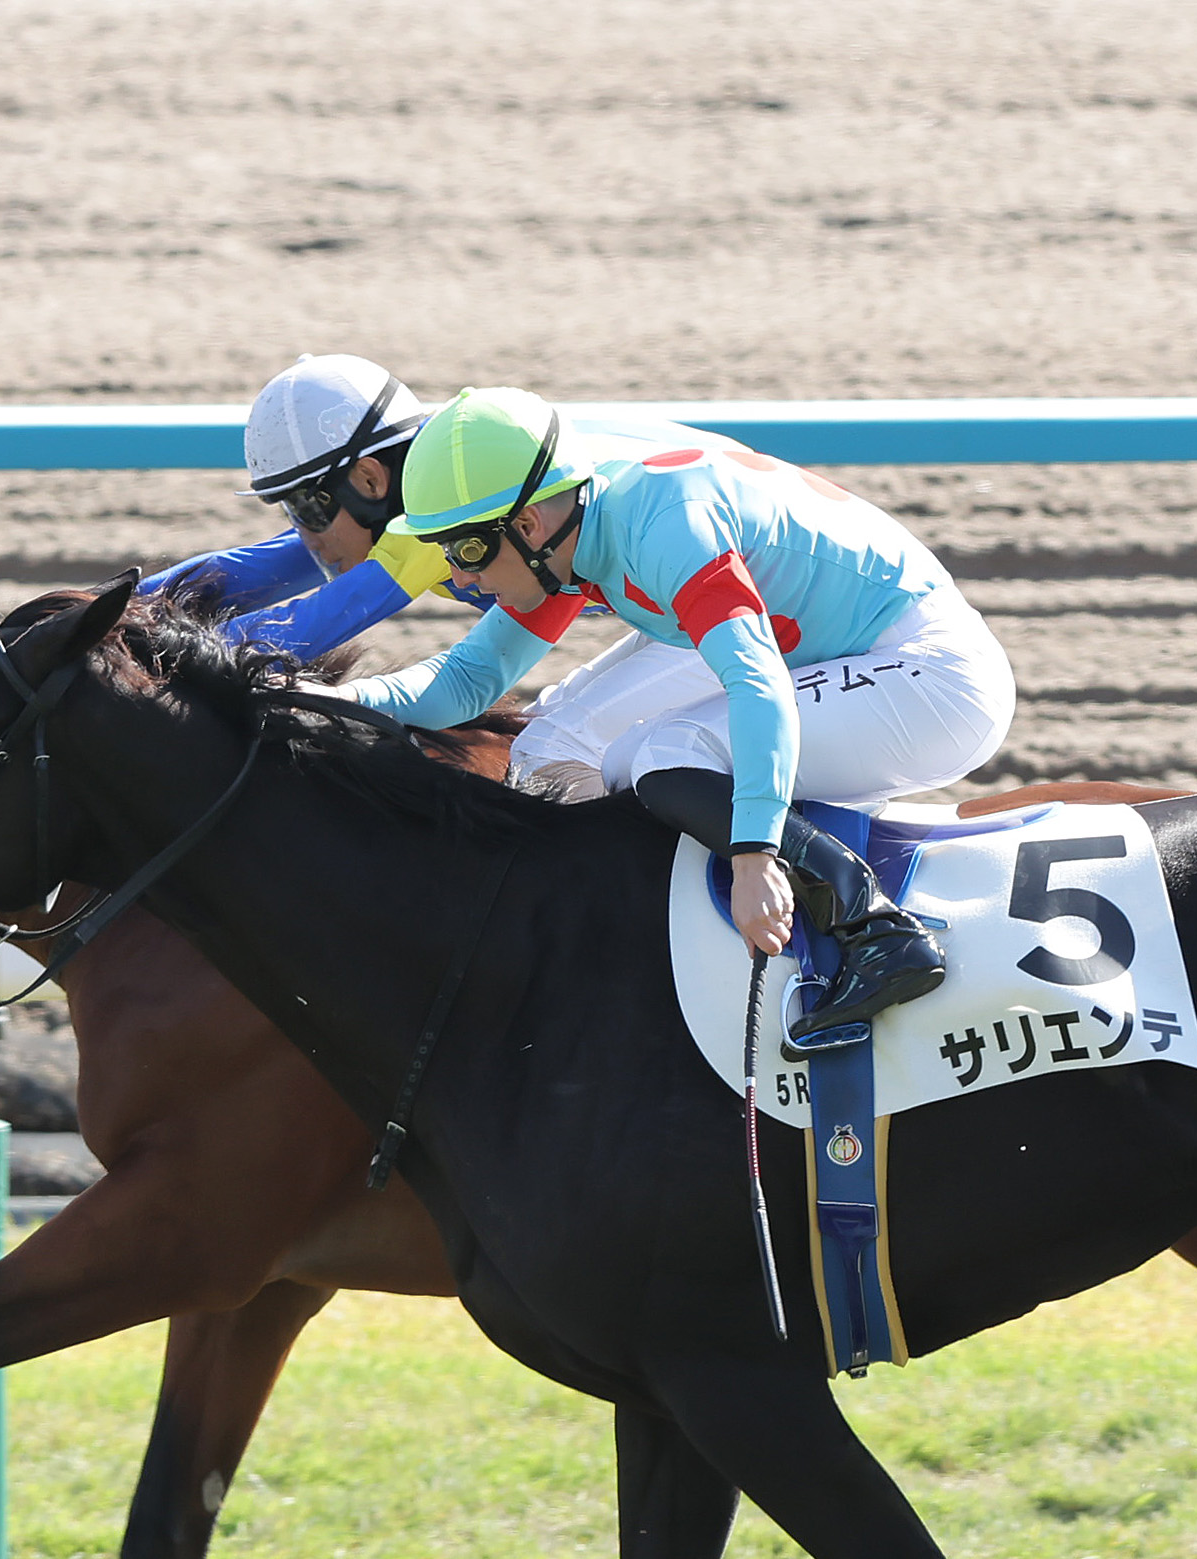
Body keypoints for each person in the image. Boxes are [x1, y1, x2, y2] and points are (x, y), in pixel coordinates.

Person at [347, 387, 1012, 1055]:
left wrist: (752, 855)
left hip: (934, 679)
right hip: (865, 654)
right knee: (568, 754)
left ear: (524, 527)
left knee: (661, 752)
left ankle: (873, 926)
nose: (460, 581)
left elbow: (756, 684)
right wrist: (325, 701)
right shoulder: (578, 534)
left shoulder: (662, 530)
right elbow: (466, 681)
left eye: (463, 552)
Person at [141, 355, 721, 801]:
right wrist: (107, 608)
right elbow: (256, 566)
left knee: (556, 749)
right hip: (691, 599)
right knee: (540, 738)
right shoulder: (436, 487)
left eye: (308, 508)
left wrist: (151, 658)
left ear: (369, 480)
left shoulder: (440, 517)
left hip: (749, 598)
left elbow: (311, 626)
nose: (303, 533)